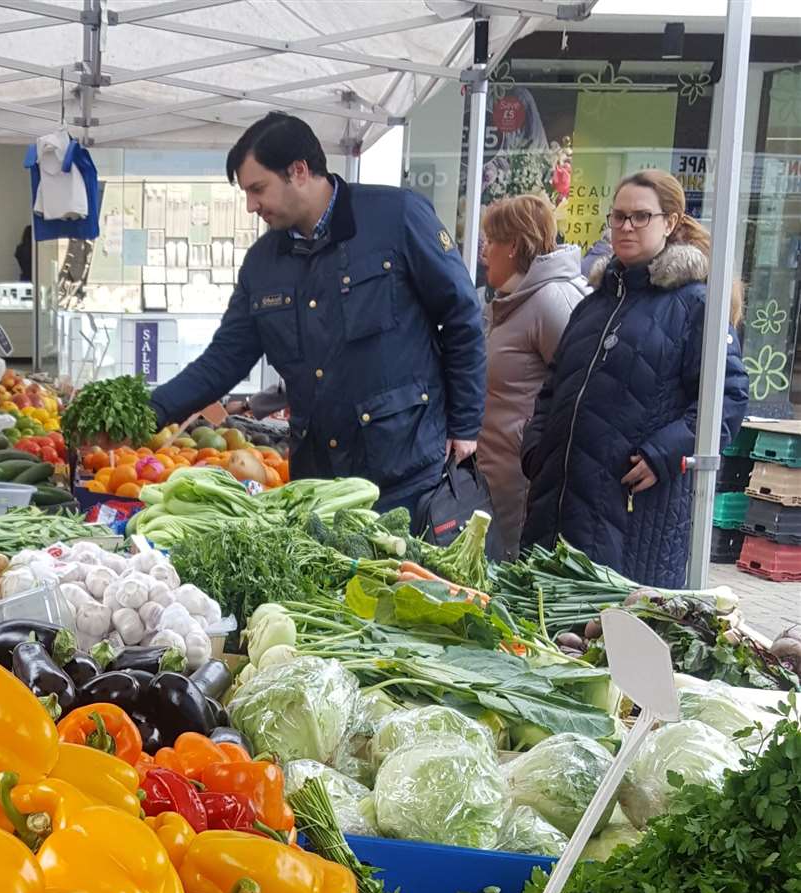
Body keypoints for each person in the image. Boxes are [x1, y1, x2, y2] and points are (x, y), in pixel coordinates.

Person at [148, 112, 486, 511]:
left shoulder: (397, 217)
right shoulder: (262, 264)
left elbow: (462, 316)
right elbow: (223, 360)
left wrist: (465, 424)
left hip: (407, 471)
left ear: (299, 171)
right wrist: (148, 412)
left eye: (258, 189)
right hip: (319, 484)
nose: (251, 206)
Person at [521, 169, 748, 588]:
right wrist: (536, 447)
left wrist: (664, 454)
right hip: (556, 502)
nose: (626, 226)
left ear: (671, 222)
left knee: (611, 638)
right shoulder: (593, 304)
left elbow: (727, 399)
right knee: (542, 629)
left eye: (641, 216)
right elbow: (553, 387)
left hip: (633, 517)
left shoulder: (694, 304)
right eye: (619, 215)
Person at [476, 195, 589, 559]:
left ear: (512, 246)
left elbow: (578, 387)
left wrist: (535, 449)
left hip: (523, 481)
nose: (484, 251)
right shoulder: (511, 302)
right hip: (498, 474)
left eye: (491, 241)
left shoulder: (552, 300)